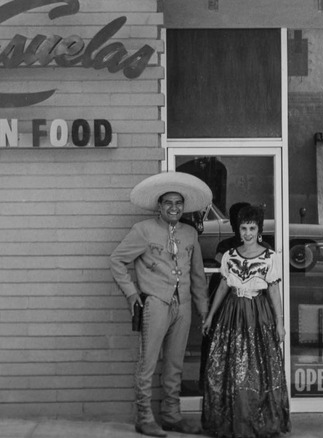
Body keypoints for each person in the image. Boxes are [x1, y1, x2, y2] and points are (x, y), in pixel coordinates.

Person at [109, 171, 212, 437]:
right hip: (155, 303)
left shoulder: (190, 233)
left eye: (178, 203)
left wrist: (204, 310)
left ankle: (171, 416)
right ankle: (144, 417)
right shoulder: (143, 230)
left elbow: (198, 275)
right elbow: (117, 261)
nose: (174, 207)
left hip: (184, 305)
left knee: (175, 364)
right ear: (159, 205)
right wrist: (132, 294)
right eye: (168, 203)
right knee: (148, 362)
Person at [201, 205, 291, 437]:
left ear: (259, 229)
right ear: (238, 230)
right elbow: (223, 285)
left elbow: (274, 291)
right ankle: (232, 421)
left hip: (258, 312)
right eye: (244, 228)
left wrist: (280, 323)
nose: (248, 233)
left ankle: (259, 421)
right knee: (231, 365)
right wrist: (211, 316)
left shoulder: (270, 256)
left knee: (258, 367)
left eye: (252, 228)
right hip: (232, 313)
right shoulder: (230, 255)